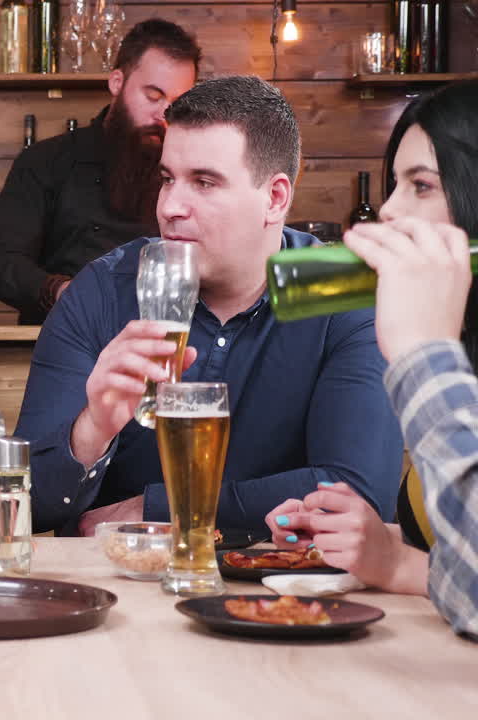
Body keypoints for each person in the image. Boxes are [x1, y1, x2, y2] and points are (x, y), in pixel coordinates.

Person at [15, 75, 404, 538]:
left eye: (204, 182)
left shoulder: (344, 288)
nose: (171, 207)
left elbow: (359, 494)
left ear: (275, 198)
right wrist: (91, 429)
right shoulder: (102, 291)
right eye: (167, 179)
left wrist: (155, 508)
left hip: (286, 595)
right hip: (120, 589)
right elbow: (26, 503)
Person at [263, 80, 477, 640]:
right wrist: (390, 556)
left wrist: (423, 357)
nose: (388, 209)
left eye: (421, 185)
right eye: (394, 184)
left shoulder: (432, 355)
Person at [0, 19, 201, 325]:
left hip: (159, 337)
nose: (162, 114)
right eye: (152, 96)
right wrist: (62, 291)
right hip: (61, 335)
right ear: (116, 82)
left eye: (176, 104)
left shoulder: (188, 175)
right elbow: (0, 265)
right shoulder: (45, 161)